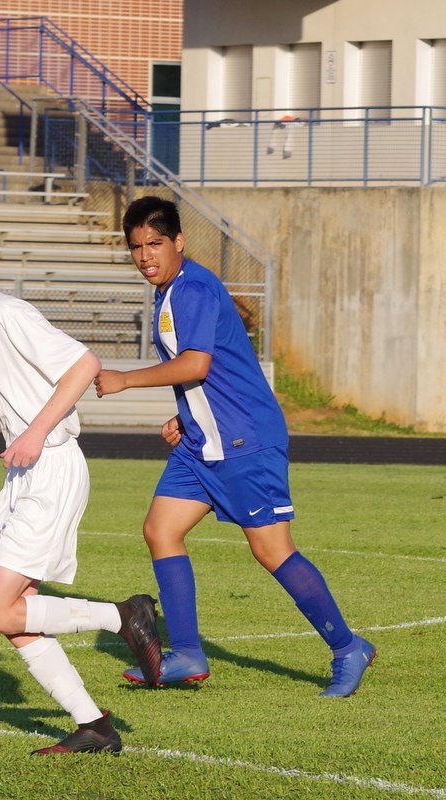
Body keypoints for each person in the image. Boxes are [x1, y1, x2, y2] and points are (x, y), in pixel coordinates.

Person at [93, 197, 376, 697]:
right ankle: (186, 654)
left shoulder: (193, 288)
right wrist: (186, 416)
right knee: (161, 530)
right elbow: (214, 369)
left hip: (245, 440)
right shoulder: (170, 291)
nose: (145, 256)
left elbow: (197, 364)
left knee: (271, 550)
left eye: (155, 244)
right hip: (203, 441)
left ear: (179, 242)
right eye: (136, 247)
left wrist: (125, 379)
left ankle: (348, 647)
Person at [0, 218, 164, 755]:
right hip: (22, 472)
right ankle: (94, 726)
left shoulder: (10, 314)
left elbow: (84, 366)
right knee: (17, 615)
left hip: (51, 466)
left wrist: (35, 432)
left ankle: (123, 615)